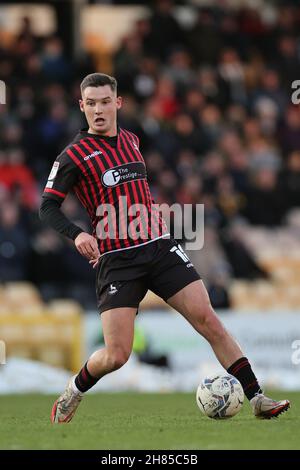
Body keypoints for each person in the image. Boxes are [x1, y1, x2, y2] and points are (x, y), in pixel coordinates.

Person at [39, 73, 290, 423]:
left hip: (159, 247)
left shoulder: (131, 140)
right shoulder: (73, 156)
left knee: (209, 320)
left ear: (118, 103)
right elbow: (47, 206)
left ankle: (257, 397)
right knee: (117, 354)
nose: (98, 109)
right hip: (117, 260)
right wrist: (77, 234)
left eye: (105, 101)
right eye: (91, 103)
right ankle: (75, 389)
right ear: (82, 106)